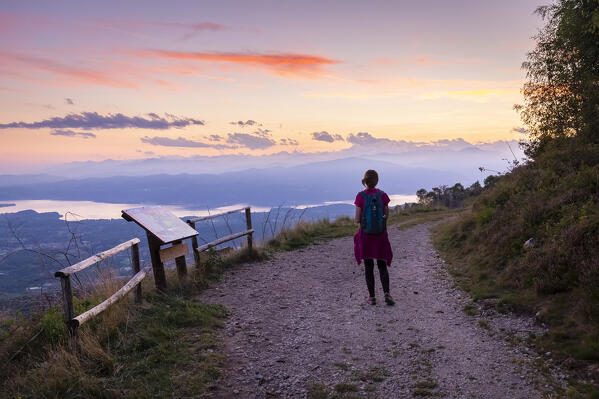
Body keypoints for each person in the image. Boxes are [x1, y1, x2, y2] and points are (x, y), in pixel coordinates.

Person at [354, 169, 395, 306]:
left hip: (366, 236)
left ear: (365, 181)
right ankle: (387, 293)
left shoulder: (360, 196)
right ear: (376, 181)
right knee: (382, 265)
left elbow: (357, 219)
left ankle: (372, 297)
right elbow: (386, 215)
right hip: (380, 235)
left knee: (369, 266)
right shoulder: (383, 195)